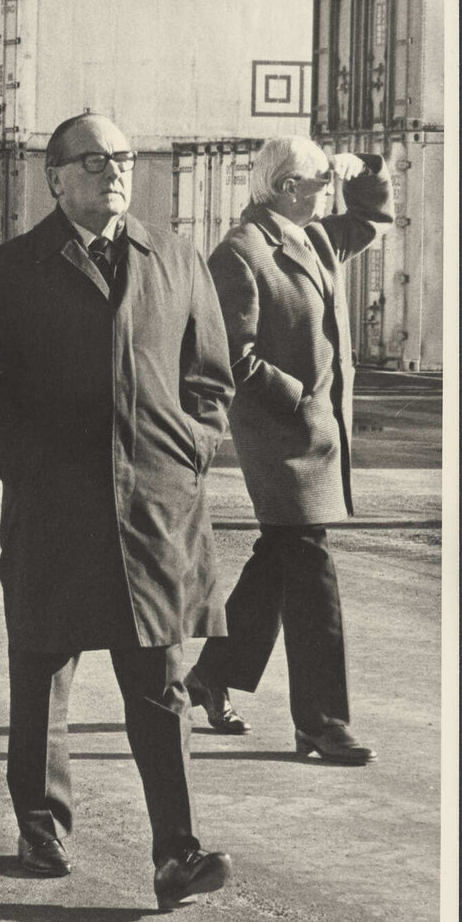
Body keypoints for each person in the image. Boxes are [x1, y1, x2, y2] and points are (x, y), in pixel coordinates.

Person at [0, 109, 237, 912]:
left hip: (154, 508)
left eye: (121, 157)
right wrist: (22, 466)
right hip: (55, 504)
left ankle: (175, 850)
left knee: (159, 682)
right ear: (55, 177)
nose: (112, 171)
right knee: (42, 668)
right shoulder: (6, 272)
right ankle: (40, 823)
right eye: (91, 159)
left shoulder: (174, 259)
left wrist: (188, 450)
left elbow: (208, 379)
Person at [183, 139, 392, 765]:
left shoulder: (318, 239)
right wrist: (296, 397)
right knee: (310, 569)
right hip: (280, 438)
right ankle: (321, 722)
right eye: (318, 181)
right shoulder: (241, 254)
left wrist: (369, 171)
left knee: (281, 558)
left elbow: (372, 221)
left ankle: (211, 675)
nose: (326, 189)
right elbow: (228, 353)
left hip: (322, 435)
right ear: (283, 187)